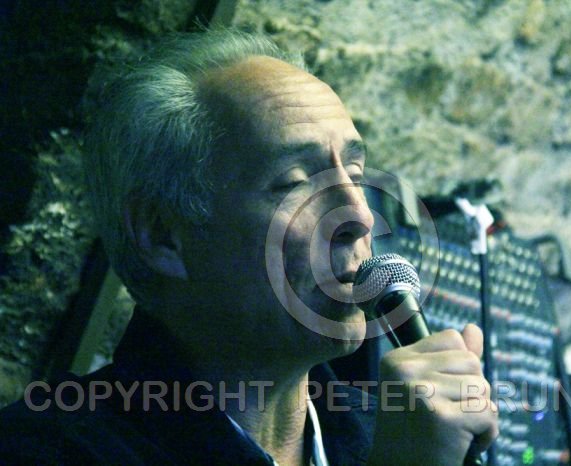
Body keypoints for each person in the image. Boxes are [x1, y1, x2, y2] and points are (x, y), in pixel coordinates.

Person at [0, 29, 497, 465]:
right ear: (163, 235)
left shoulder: (388, 432)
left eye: (355, 174)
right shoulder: (41, 450)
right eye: (296, 183)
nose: (360, 217)